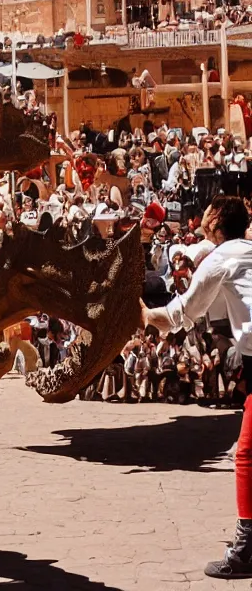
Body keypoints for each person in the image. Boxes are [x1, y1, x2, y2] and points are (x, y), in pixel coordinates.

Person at [143, 196, 252, 580]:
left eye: (208, 211)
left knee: (247, 455)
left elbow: (181, 313)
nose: (201, 215)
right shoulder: (243, 252)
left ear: (217, 220)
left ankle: (247, 548)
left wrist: (141, 313)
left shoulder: (222, 259)